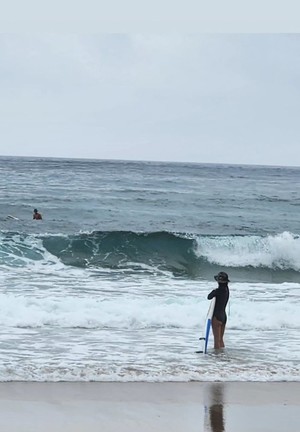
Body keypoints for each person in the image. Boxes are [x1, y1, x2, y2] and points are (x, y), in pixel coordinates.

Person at [207, 272, 230, 349]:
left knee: (216, 341)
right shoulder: (226, 290)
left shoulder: (218, 291)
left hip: (216, 317)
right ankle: (222, 356)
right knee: (221, 340)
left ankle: (217, 358)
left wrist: (214, 291)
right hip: (223, 316)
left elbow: (209, 297)